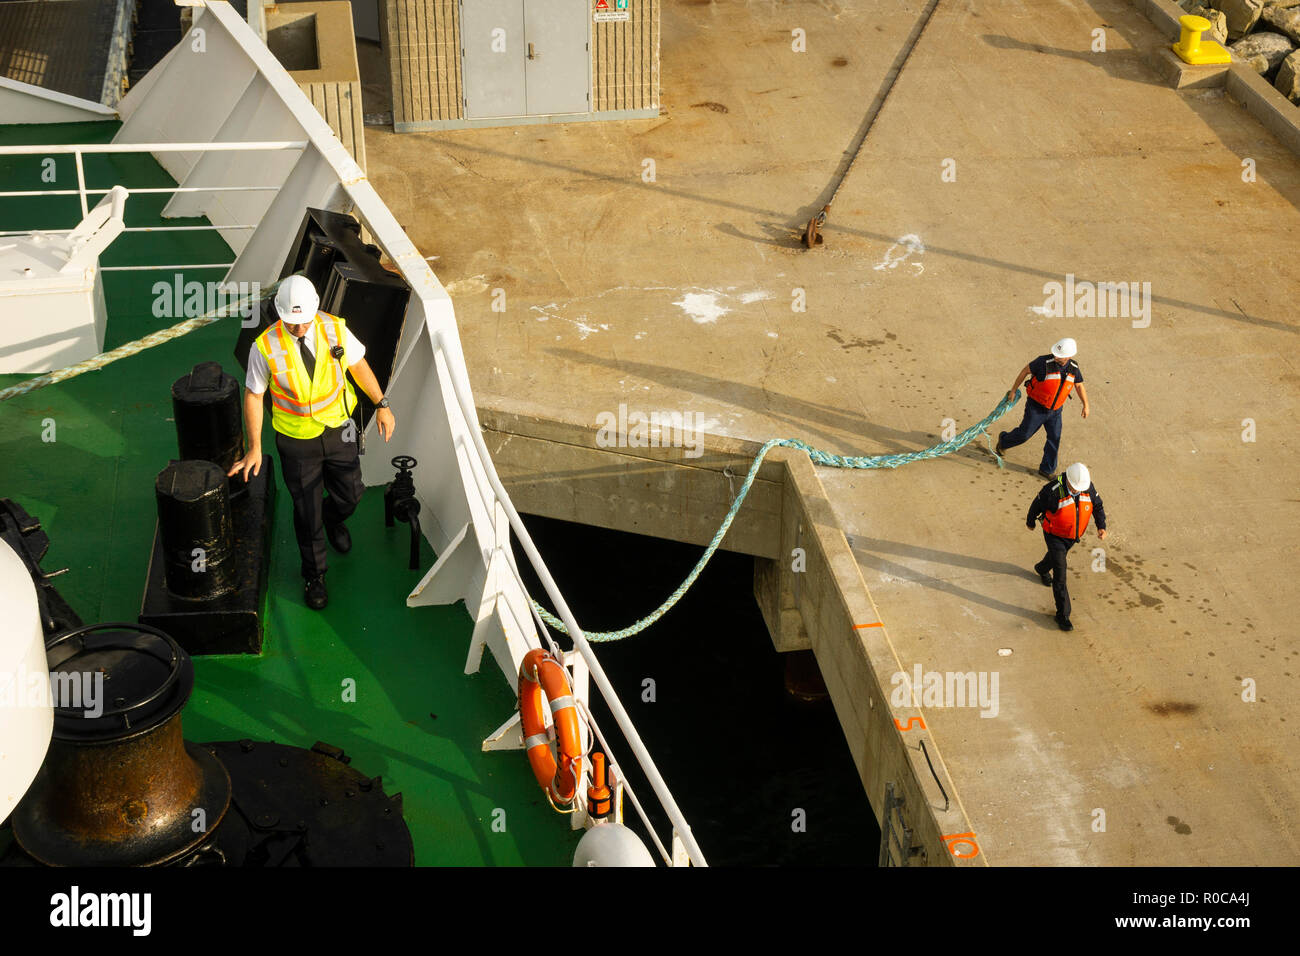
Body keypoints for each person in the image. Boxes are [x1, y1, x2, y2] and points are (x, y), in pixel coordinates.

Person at [228, 275, 396, 610]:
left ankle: (333, 519)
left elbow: (358, 364)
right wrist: (255, 447)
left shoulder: (334, 329)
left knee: (352, 494)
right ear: (280, 315)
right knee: (306, 514)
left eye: (304, 322)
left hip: (338, 431)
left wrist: (382, 404)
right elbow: (253, 395)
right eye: (292, 323)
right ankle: (314, 574)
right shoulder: (265, 347)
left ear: (315, 312)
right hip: (296, 440)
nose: (300, 329)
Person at [1026, 462, 1107, 632]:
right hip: (1054, 536)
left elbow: (1097, 506)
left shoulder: (1087, 487)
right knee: (1060, 575)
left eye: (1080, 488)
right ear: (1068, 480)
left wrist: (1101, 526)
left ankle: (1041, 568)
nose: (1078, 491)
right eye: (1075, 488)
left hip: (1071, 537)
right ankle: (1063, 615)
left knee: (1056, 560)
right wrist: (1030, 521)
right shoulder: (1052, 491)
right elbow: (1037, 504)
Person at [996, 338, 1090, 478]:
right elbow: (1025, 371)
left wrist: (1085, 405)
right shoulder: (1042, 362)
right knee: (1024, 434)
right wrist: (1014, 390)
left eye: (1060, 355)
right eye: (1056, 354)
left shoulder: (1074, 368)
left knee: (1054, 438)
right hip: (1036, 408)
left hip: (1056, 411)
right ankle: (1003, 441)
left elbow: (1079, 385)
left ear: (1069, 356)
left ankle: (1047, 469)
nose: (1056, 357)